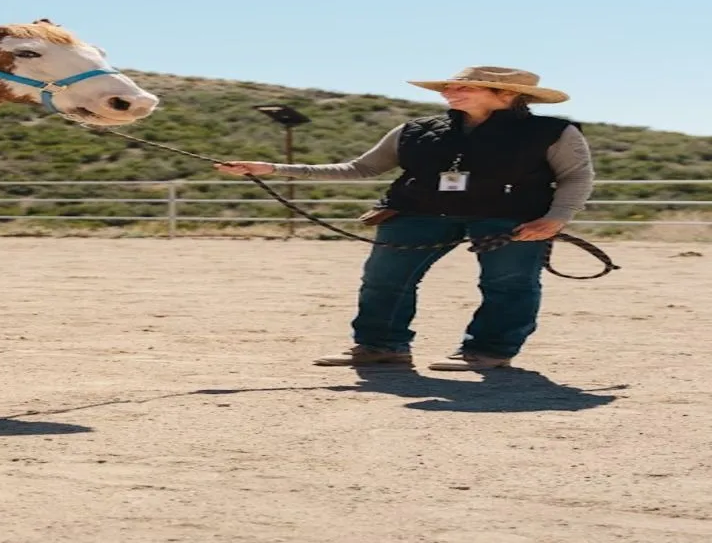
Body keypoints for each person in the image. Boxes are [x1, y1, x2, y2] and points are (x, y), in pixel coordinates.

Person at [215, 66, 595, 372]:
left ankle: (490, 351)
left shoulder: (553, 132)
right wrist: (272, 168)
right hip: (417, 212)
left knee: (508, 285)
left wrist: (556, 219)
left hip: (511, 217)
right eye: (449, 86)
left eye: (464, 87)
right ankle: (381, 347)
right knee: (384, 279)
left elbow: (576, 177)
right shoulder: (415, 130)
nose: (450, 91)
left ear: (507, 95)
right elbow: (360, 168)